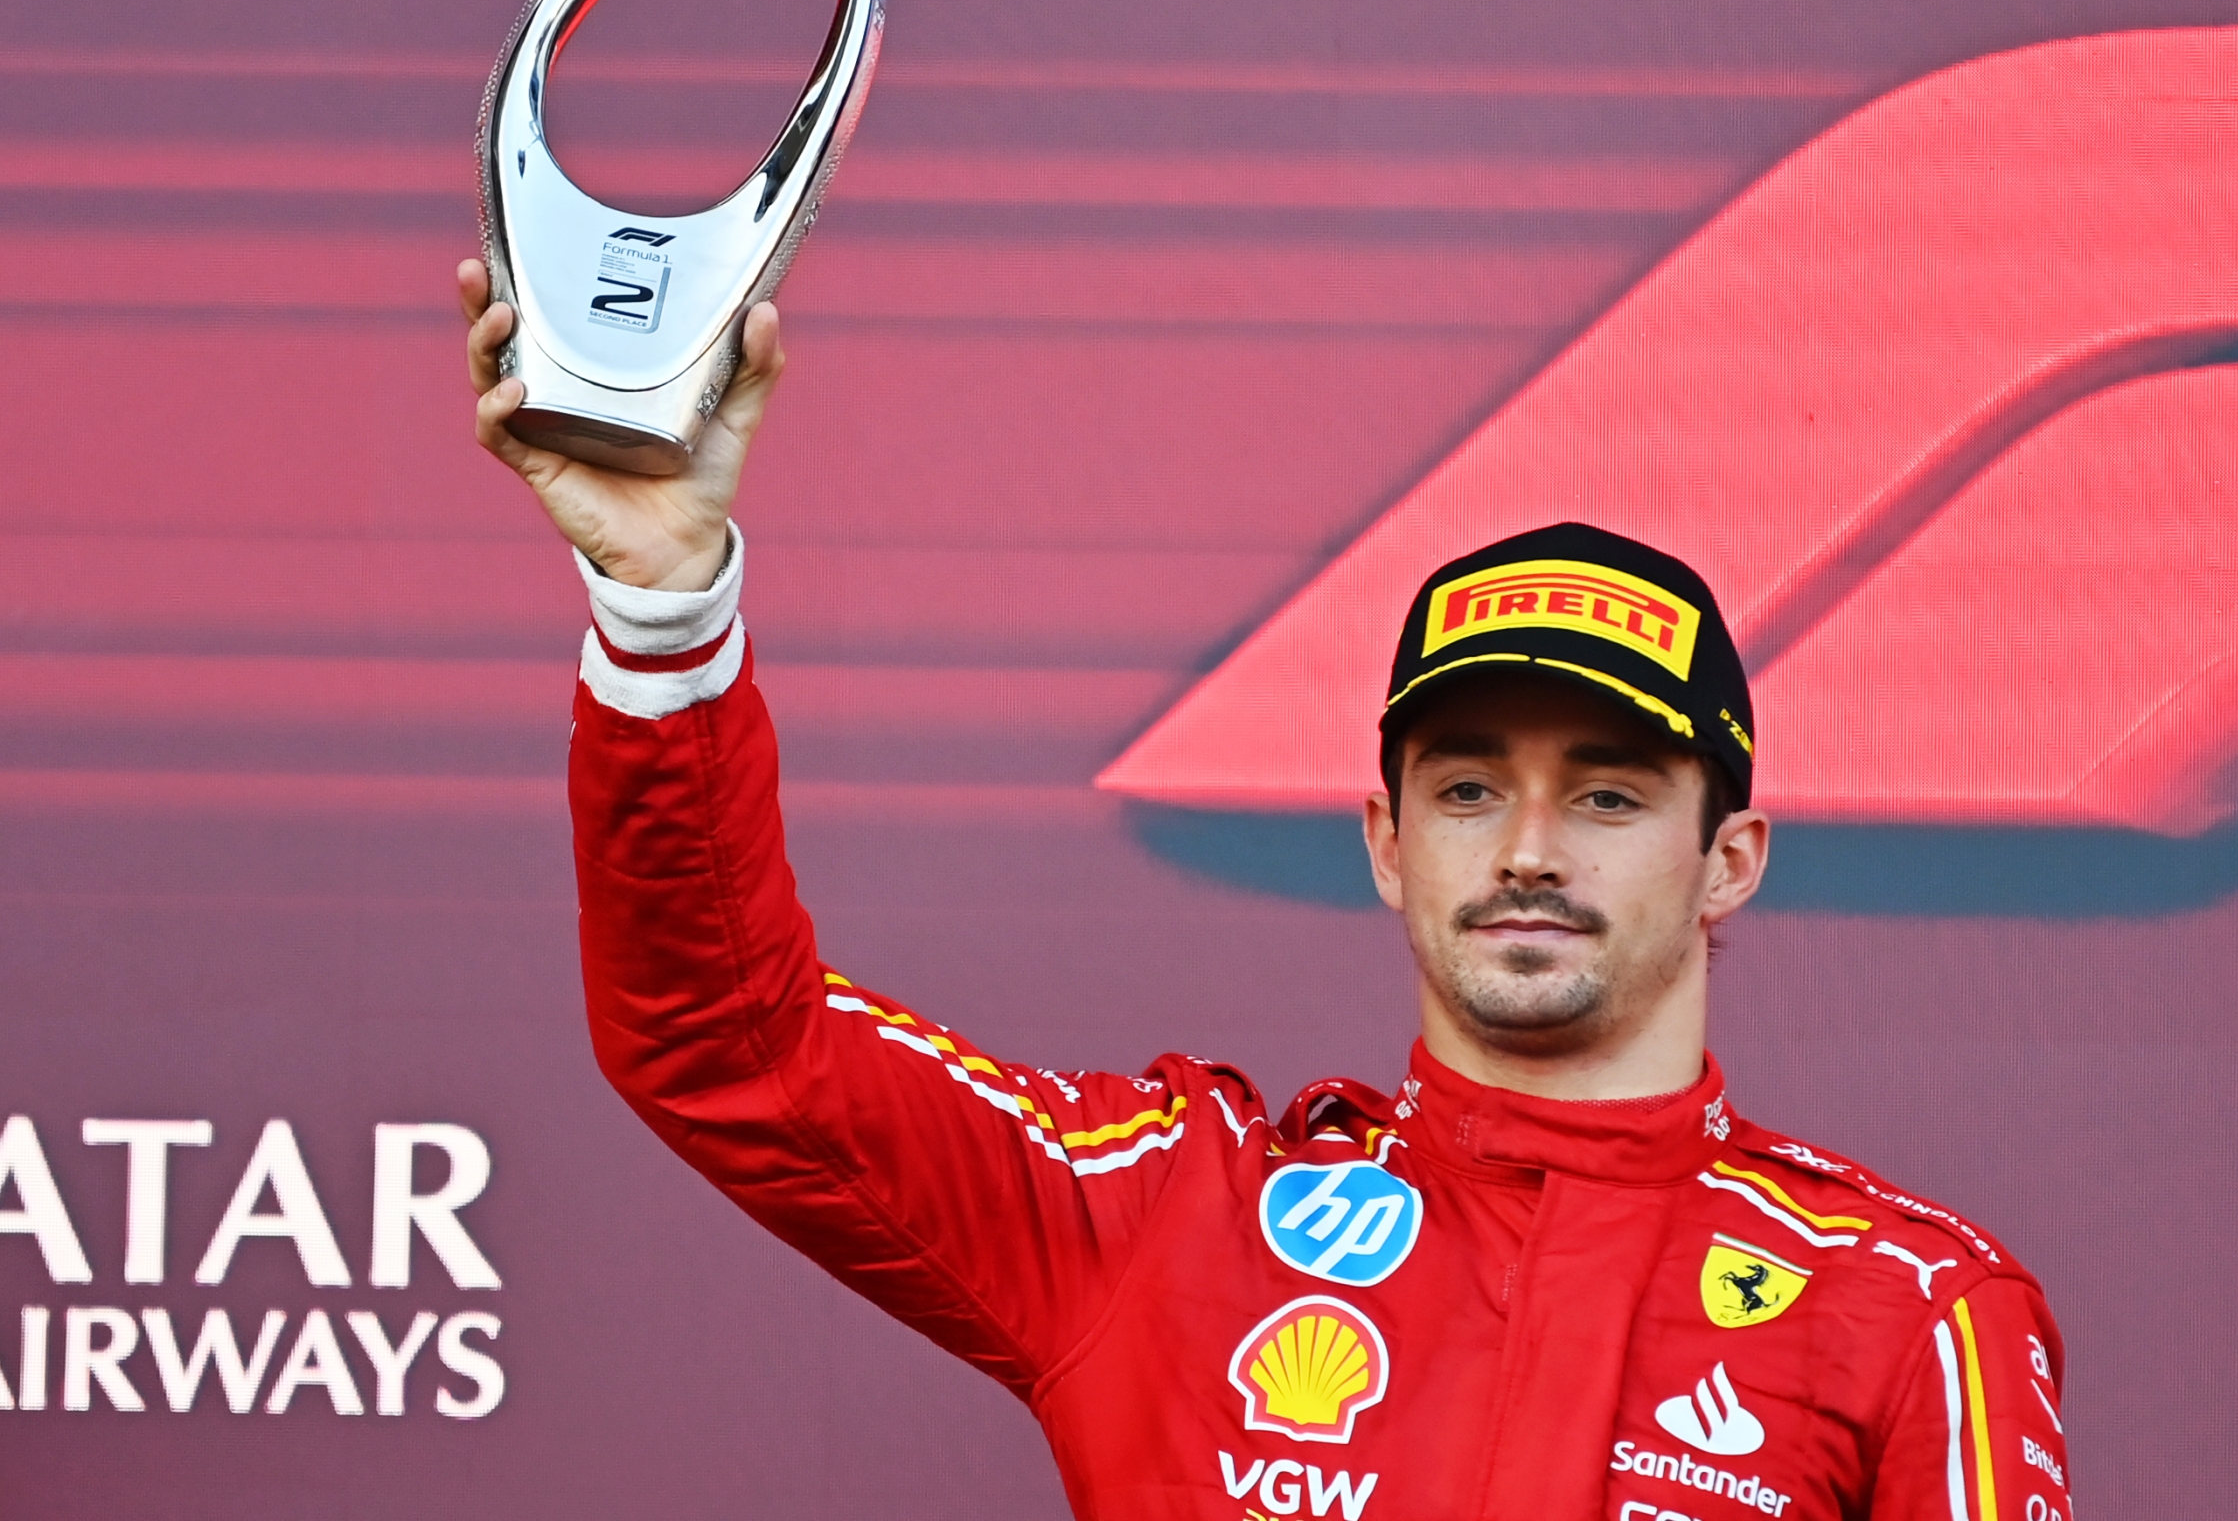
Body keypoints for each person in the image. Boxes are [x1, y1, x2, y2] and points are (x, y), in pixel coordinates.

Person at [460, 263, 2075, 1521]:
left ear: (1731, 857)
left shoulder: (1914, 1311)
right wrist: (662, 612)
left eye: (1605, 792)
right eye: (1464, 788)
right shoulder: (1179, 1215)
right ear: (1384, 842)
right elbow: (737, 1050)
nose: (1526, 845)